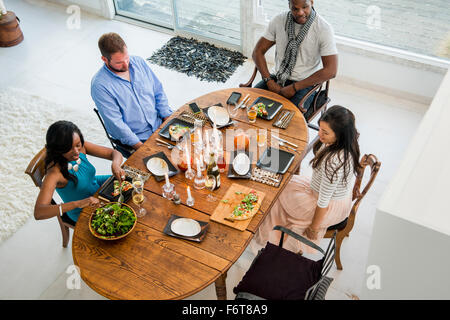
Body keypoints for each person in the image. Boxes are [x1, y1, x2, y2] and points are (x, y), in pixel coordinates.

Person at [254, 105, 361, 254]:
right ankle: (270, 231)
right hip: (326, 193)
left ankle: (270, 240)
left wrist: (313, 228)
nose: (320, 135)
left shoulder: (334, 161)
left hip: (326, 204)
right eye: (320, 129)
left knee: (276, 196)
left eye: (325, 132)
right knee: (281, 184)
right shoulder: (347, 145)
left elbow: (323, 201)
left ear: (340, 135)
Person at [91, 32, 173, 153]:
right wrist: (142, 149)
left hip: (160, 125)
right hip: (137, 141)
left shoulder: (138, 62)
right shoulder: (100, 85)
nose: (126, 64)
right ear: (104, 59)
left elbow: (158, 91)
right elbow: (116, 124)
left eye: (127, 58)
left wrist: (169, 119)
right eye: (119, 63)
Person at [252, 0, 338, 115]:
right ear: (289, 5)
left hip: (304, 84)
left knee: (287, 119)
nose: (300, 13)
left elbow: (331, 71)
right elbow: (257, 52)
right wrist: (268, 81)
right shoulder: (279, 20)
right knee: (250, 106)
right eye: (295, 9)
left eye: (305, 7)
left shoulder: (324, 29)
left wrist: (294, 87)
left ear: (312, 2)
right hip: (277, 77)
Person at [34, 121, 126, 224]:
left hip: (97, 185)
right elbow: (39, 212)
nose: (77, 151)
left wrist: (115, 165)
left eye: (78, 145)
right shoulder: (54, 173)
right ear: (58, 150)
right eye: (69, 149)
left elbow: (114, 153)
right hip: (82, 209)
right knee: (121, 219)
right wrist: (79, 203)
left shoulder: (81, 146)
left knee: (132, 182)